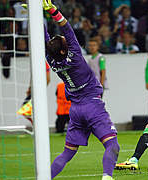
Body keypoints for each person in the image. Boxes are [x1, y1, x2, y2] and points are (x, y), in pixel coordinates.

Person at [41, 1, 119, 180]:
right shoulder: (74, 54)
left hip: (75, 110)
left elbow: (43, 39)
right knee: (112, 146)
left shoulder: (51, 60)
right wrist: (53, 10)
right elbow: (67, 27)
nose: (64, 38)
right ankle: (107, 177)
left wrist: (38, 16)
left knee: (67, 153)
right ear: (62, 50)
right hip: (92, 105)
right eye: (62, 40)